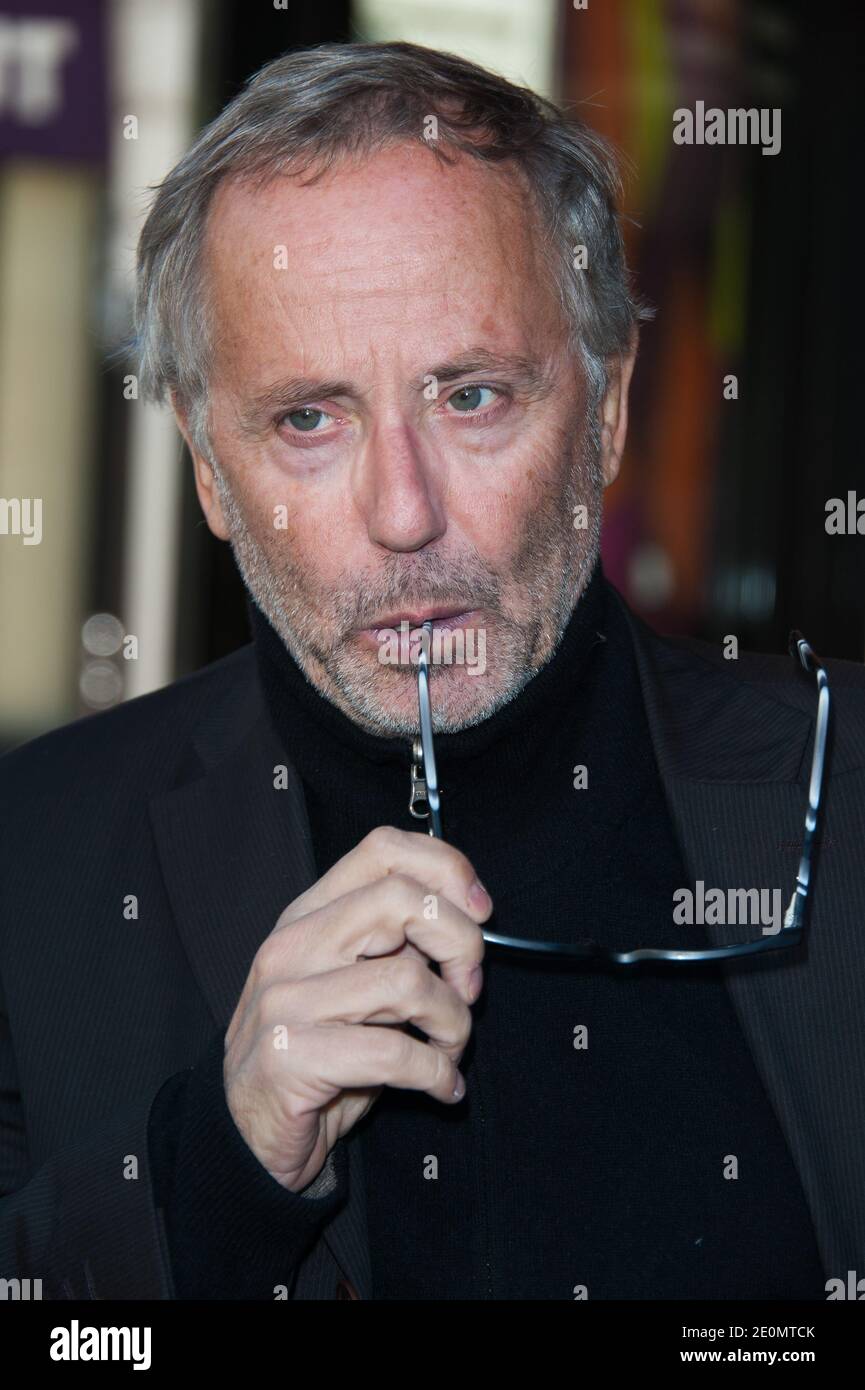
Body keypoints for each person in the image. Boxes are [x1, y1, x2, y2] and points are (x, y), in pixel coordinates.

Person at [1, 42, 863, 1302]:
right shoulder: (36, 862)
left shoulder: (844, 798)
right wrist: (217, 1169)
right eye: (308, 418)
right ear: (204, 464)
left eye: (471, 397)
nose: (402, 515)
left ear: (607, 407)